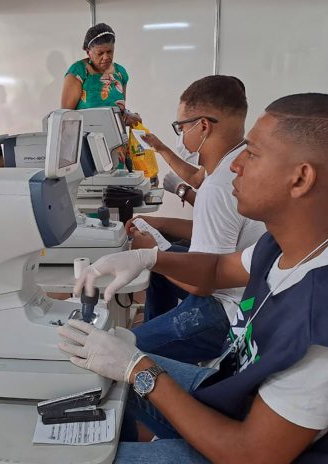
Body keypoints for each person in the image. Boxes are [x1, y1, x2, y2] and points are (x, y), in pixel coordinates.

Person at [62, 94, 328, 463]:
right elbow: (220, 270)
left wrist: (138, 369)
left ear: (300, 178)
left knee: (74, 455)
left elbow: (250, 455)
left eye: (251, 153)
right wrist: (148, 257)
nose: (235, 165)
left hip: (253, 448)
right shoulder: (306, 239)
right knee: (105, 377)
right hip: (245, 399)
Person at [128, 76, 265, 364]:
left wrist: (151, 253)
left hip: (228, 309)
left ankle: (158, 359)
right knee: (162, 268)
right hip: (241, 286)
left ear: (202, 126)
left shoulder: (219, 187)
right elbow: (212, 231)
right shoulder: (235, 160)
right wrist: (160, 225)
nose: (181, 136)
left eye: (181, 127)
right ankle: (164, 338)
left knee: (126, 347)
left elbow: (205, 282)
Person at [61, 23, 140, 125]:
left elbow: (120, 111)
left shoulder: (120, 73)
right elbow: (66, 117)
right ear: (88, 52)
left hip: (116, 138)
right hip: (86, 138)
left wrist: (129, 116)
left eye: (110, 51)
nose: (106, 57)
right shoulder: (78, 72)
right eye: (100, 53)